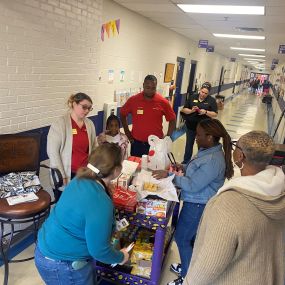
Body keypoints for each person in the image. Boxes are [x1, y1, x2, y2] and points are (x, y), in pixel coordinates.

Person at [184, 131, 285, 285]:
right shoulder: (280, 193)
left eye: (235, 147)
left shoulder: (227, 205)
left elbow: (208, 266)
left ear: (240, 156)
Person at [152, 118, 234, 285]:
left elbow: (193, 185)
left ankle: (187, 278)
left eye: (198, 135)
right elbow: (195, 169)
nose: (195, 137)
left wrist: (170, 176)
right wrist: (183, 167)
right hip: (196, 202)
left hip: (198, 205)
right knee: (190, 239)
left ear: (210, 137)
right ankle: (187, 267)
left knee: (182, 239)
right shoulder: (208, 150)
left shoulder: (213, 159)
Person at [35, 143, 130, 285]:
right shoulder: (100, 202)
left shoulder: (80, 179)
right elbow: (99, 251)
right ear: (117, 171)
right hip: (63, 264)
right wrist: (121, 257)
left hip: (45, 249)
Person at [47, 92, 97, 189]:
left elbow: (94, 148)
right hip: (67, 174)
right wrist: (62, 175)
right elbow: (53, 152)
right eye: (84, 107)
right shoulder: (60, 124)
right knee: (64, 203)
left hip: (84, 173)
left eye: (89, 108)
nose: (87, 111)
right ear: (74, 104)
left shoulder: (89, 124)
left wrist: (95, 169)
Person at [120, 75, 176, 157]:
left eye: (153, 88)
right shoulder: (133, 100)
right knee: (137, 167)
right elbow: (122, 114)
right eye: (147, 87)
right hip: (137, 144)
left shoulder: (162, 102)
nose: (150, 91)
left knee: (154, 168)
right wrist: (127, 132)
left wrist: (168, 137)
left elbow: (172, 119)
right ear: (143, 85)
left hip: (155, 144)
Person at [180, 82, 218, 164]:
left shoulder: (211, 100)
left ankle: (200, 162)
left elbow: (215, 114)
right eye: (202, 92)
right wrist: (191, 110)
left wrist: (206, 112)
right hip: (191, 127)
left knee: (201, 146)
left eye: (206, 93)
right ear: (200, 90)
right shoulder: (192, 97)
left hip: (203, 130)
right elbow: (183, 109)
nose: (203, 94)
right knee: (189, 145)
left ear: (208, 93)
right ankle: (186, 161)